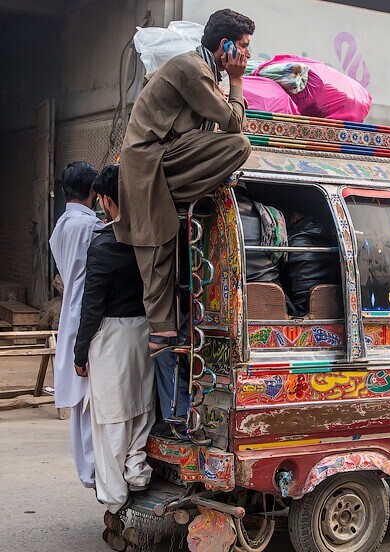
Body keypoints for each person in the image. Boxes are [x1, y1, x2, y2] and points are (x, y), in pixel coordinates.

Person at [117, 9, 254, 355]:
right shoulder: (192, 70)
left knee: (162, 246)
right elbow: (234, 124)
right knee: (239, 146)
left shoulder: (201, 70)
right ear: (225, 46)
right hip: (154, 161)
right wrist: (237, 81)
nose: (248, 55)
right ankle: (162, 333)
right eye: (243, 46)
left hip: (157, 161)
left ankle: (163, 333)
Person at [73, 165, 156, 514]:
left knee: (109, 417)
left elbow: (91, 306)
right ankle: (136, 469)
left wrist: (80, 353)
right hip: (146, 330)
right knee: (141, 406)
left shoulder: (103, 244)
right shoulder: (150, 233)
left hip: (110, 335)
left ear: (106, 200)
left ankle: (114, 499)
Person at [48, 161, 104, 490]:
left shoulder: (62, 224)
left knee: (80, 401)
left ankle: (88, 471)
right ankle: (95, 471)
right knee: (89, 400)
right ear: (94, 192)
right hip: (87, 313)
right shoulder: (89, 226)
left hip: (72, 310)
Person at [280, 203, 339, 317]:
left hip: (299, 306)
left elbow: (282, 275)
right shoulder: (330, 239)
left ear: (295, 216)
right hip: (328, 306)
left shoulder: (290, 240)